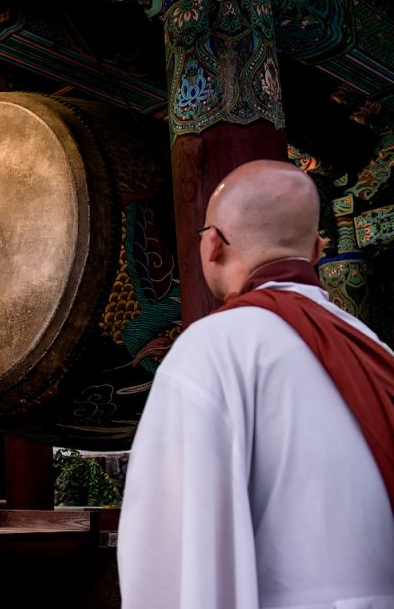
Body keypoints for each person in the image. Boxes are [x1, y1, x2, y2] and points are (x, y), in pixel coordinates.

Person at [118, 160, 394, 608]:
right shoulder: (377, 349)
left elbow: (170, 561)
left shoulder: (212, 348)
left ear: (211, 245)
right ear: (318, 249)